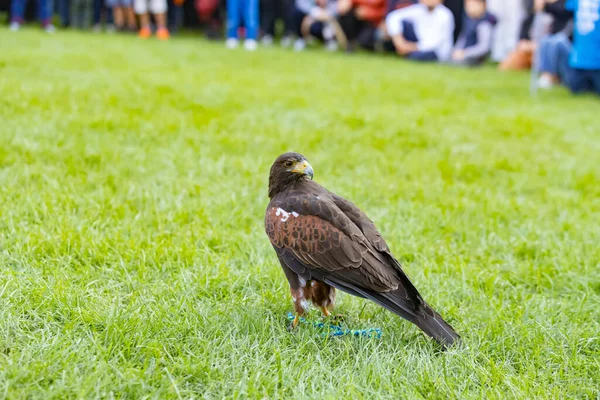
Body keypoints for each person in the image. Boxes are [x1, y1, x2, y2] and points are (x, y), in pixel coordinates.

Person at [537, 0, 599, 94]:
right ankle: (548, 76)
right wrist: (545, 5)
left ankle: (551, 77)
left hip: (595, 63)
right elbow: (562, 10)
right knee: (551, 41)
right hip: (578, 63)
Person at [499, 0, 573, 70]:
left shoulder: (562, 11)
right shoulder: (532, 15)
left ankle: (548, 75)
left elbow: (561, 37)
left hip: (549, 48)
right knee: (507, 66)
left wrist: (546, 6)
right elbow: (523, 34)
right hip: (529, 48)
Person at [385, 0, 454, 61]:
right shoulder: (418, 9)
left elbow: (434, 43)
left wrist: (408, 47)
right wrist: (399, 42)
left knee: (417, 57)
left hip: (436, 52)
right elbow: (393, 17)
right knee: (404, 24)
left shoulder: (445, 15)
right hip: (418, 46)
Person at [450, 0, 496, 65]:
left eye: (473, 5)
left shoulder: (484, 23)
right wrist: (456, 50)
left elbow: (483, 47)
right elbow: (462, 39)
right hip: (462, 54)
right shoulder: (468, 21)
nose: (470, 8)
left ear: (483, 5)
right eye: (467, 5)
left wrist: (465, 53)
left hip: (474, 57)